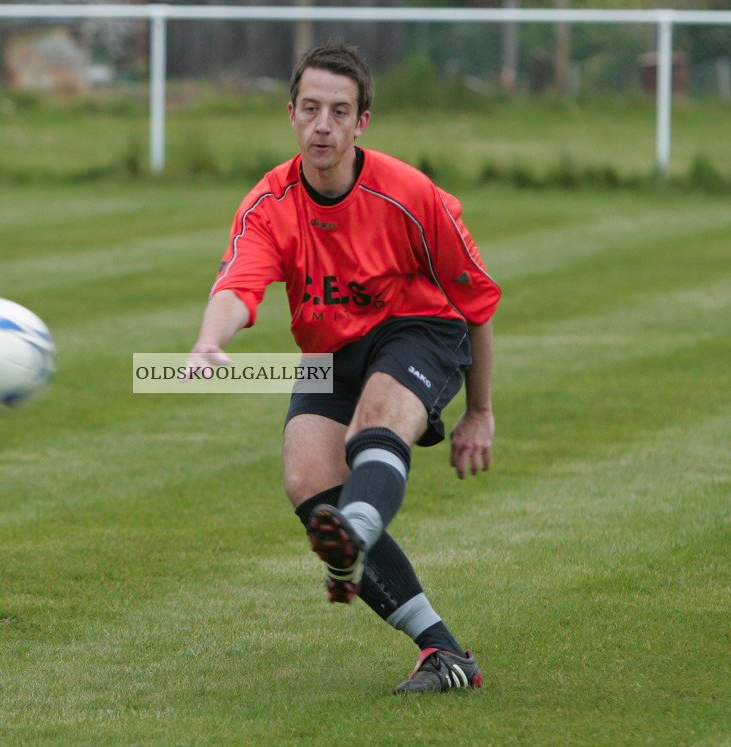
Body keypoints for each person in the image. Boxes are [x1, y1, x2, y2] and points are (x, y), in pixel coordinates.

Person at [189, 43, 501, 694]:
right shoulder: (269, 202)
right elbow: (238, 284)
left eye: (339, 110)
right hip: (331, 351)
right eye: (310, 109)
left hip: (421, 328)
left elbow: (475, 301)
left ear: (362, 122)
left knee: (375, 425)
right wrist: (207, 344)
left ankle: (351, 543)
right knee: (309, 481)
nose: (323, 124)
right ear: (292, 114)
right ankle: (444, 653)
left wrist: (480, 410)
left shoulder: (412, 194)